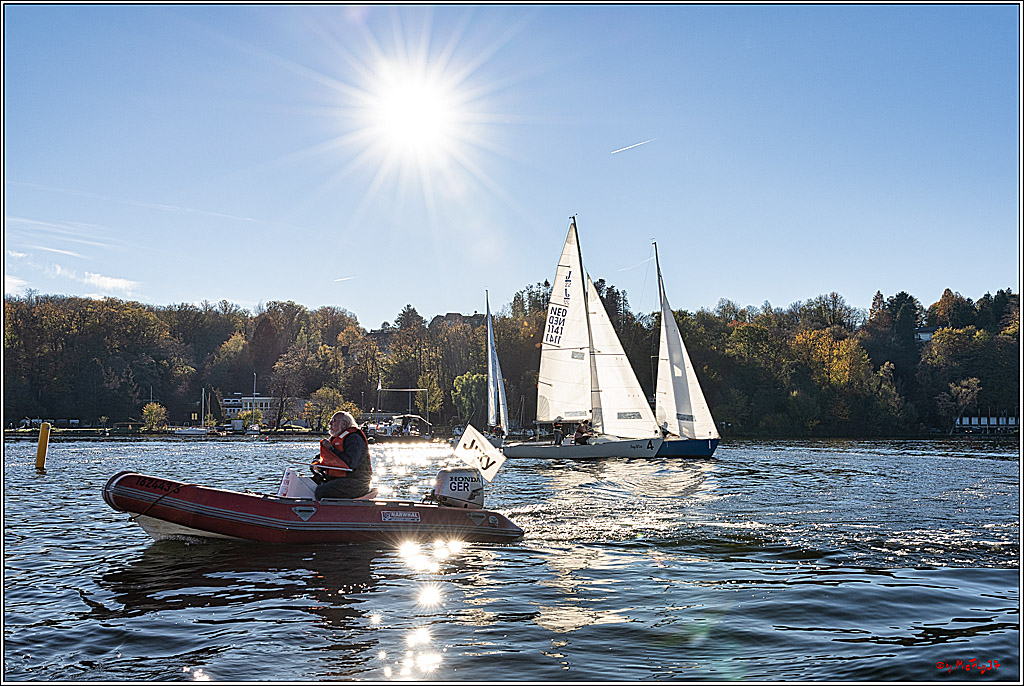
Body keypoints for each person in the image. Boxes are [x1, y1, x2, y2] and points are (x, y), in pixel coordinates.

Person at [310, 411, 373, 499]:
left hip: (357, 483)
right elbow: (322, 457)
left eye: (333, 421)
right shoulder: (336, 439)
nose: (330, 424)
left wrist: (331, 449)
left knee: (322, 491)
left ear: (344, 424)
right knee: (309, 482)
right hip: (338, 479)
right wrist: (317, 463)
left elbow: (350, 463)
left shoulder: (354, 439)